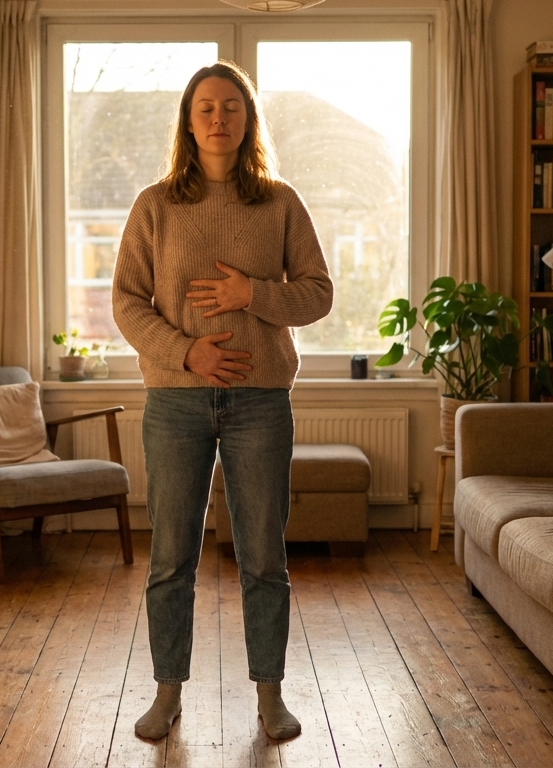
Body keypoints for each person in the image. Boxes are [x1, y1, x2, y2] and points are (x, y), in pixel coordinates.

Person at [111, 60, 333, 742]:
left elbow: (319, 293)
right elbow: (124, 302)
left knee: (264, 556)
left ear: (247, 119)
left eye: (231, 106)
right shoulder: (155, 205)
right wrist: (187, 352)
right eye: (205, 106)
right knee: (171, 558)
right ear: (188, 119)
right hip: (176, 404)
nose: (218, 117)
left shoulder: (279, 201)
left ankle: (270, 696)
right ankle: (166, 692)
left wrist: (253, 295)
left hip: (262, 402)